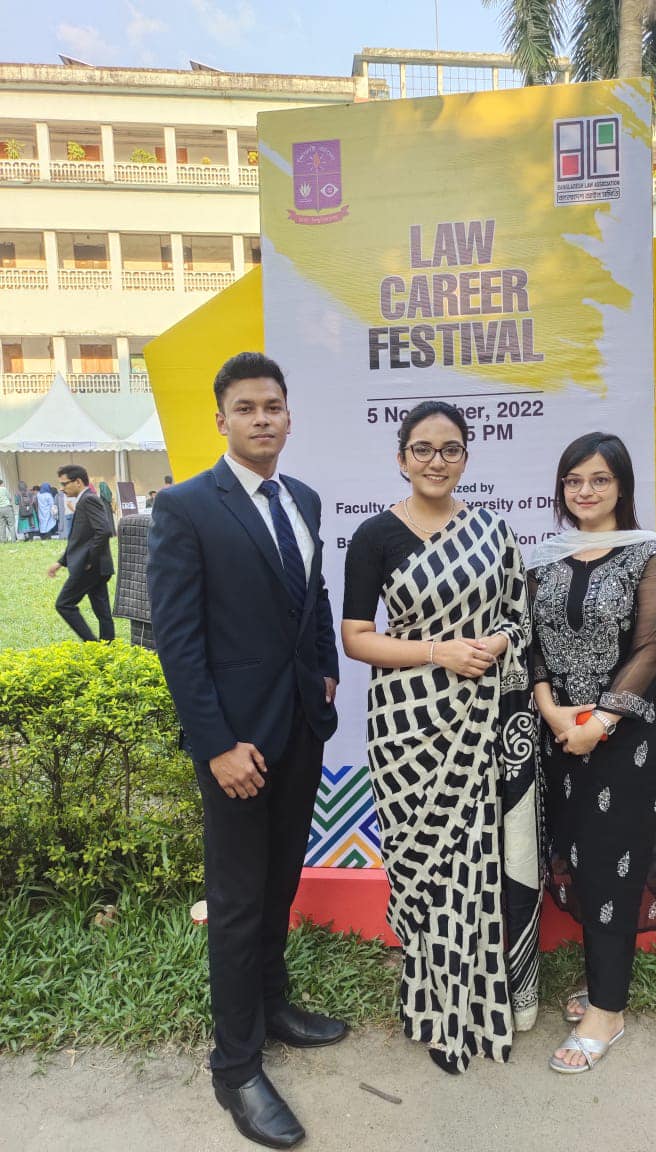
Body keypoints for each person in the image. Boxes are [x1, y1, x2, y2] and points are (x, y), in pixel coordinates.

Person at [147, 352, 345, 1150]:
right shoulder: (185, 506)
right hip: (234, 744)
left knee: (280, 882)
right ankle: (235, 1067)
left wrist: (325, 669)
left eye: (273, 406)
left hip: (300, 728)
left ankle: (272, 1006)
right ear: (221, 420)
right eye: (246, 408)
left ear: (289, 416)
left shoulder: (304, 499)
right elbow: (177, 640)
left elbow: (313, 594)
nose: (262, 418)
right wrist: (216, 745)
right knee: (235, 904)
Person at [342, 400, 541, 1075]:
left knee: (471, 865)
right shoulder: (375, 535)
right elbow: (356, 638)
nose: (436, 460)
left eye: (450, 449)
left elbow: (518, 615)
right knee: (419, 867)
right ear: (401, 458)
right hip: (405, 727)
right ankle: (431, 1009)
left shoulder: (492, 530)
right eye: (422, 449)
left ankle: (476, 1009)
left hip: (477, 721)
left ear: (466, 458)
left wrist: (495, 642)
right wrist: (439, 653)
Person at [529, 432, 656, 1075]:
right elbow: (531, 640)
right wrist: (551, 709)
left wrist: (600, 721)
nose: (585, 491)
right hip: (559, 735)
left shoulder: (650, 553)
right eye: (574, 480)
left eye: (599, 479)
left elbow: (654, 646)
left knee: (613, 862)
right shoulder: (547, 558)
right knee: (577, 853)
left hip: (627, 737)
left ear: (622, 485)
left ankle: (607, 1011)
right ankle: (604, 979)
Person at [46, 465, 115, 642]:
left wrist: (90, 559)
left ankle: (92, 644)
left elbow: (104, 530)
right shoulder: (85, 499)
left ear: (78, 482)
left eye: (65, 484)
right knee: (102, 611)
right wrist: (61, 562)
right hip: (97, 566)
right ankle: (108, 646)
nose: (62, 489)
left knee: (64, 604)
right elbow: (80, 539)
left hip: (89, 567)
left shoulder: (88, 500)